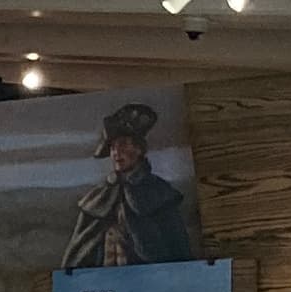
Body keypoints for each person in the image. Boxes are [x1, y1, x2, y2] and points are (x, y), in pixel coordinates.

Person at [58, 100, 199, 270]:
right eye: (113, 147)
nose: (116, 152)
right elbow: (78, 255)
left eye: (123, 144)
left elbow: (177, 250)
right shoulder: (100, 197)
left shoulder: (158, 194)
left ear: (139, 149)